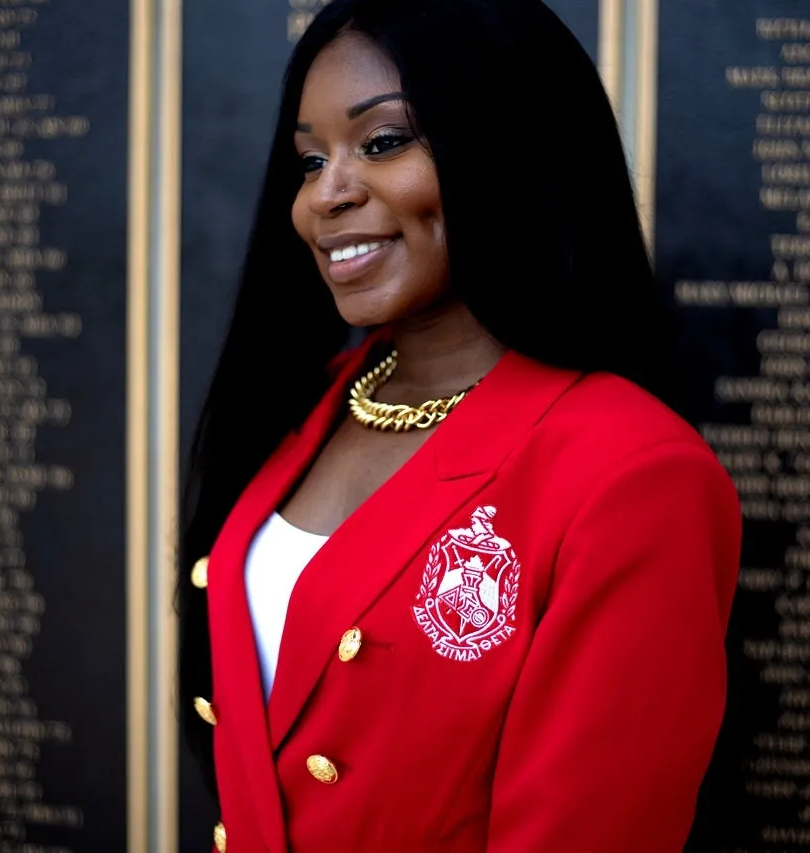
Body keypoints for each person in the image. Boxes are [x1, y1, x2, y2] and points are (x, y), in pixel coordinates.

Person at [178, 0, 742, 850]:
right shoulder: (315, 401)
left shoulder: (629, 470)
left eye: (381, 142)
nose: (323, 196)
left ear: (506, 147)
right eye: (307, 159)